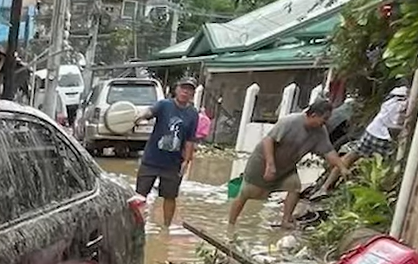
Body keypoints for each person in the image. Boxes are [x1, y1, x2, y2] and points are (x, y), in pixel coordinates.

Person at [228, 100, 344, 230]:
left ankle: (285, 220)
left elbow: (329, 151)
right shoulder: (290, 121)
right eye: (325, 118)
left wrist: (342, 168)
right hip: (262, 162)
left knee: (295, 187)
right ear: (313, 115)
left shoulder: (320, 132)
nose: (326, 122)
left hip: (286, 168)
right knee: (246, 194)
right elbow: (268, 140)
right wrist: (270, 165)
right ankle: (230, 225)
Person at [133, 77, 200, 228]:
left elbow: (190, 139)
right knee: (140, 195)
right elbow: (150, 111)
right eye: (183, 88)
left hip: (173, 162)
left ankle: (166, 228)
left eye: (189, 90)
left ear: (192, 94)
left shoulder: (193, 114)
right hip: (151, 159)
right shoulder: (164, 105)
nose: (185, 92)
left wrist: (186, 161)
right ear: (176, 89)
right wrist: (140, 116)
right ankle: (136, 225)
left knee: (170, 197)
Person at [319, 86, 407, 192]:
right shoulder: (406, 103)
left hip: (372, 130)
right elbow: (395, 126)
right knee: (388, 168)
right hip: (384, 137)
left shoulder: (397, 92)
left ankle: (325, 187)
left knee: (350, 156)